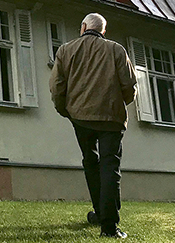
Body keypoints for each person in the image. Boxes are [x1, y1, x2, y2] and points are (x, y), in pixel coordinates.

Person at [49, 13, 137, 239]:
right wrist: (118, 103)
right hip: (111, 118)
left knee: (90, 162)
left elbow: (57, 86)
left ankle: (99, 212)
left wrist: (65, 110)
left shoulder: (65, 50)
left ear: (83, 27)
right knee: (110, 167)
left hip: (80, 118)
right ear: (103, 31)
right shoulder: (116, 50)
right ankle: (109, 226)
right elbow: (129, 86)